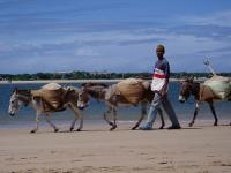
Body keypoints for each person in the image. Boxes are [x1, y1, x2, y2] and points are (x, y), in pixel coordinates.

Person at [140, 44, 180, 130]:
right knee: (167, 107)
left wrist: (163, 88)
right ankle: (176, 124)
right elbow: (156, 75)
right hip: (157, 86)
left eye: (160, 52)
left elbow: (166, 77)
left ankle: (148, 124)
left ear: (163, 52)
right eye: (157, 52)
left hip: (162, 88)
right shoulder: (156, 62)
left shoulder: (165, 63)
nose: (159, 53)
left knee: (154, 104)